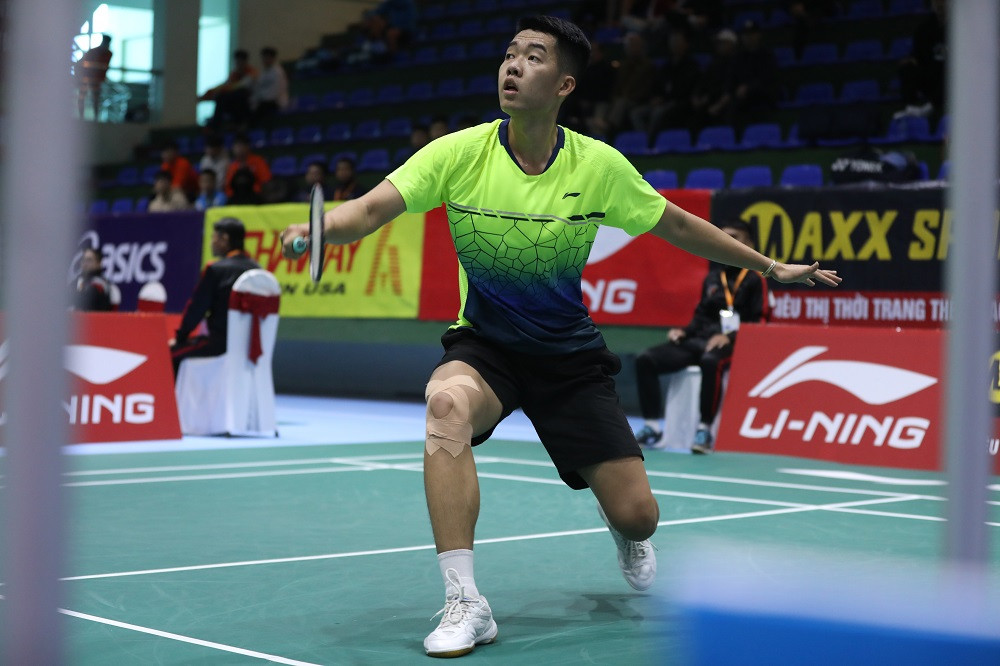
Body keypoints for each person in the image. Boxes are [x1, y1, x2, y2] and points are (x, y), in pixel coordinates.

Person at [280, 15, 840, 659]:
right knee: (445, 407)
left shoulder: (597, 166)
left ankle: (620, 524)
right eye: (509, 53)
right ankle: (465, 600)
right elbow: (371, 208)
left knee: (639, 515)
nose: (513, 66)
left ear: (565, 83)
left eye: (533, 57)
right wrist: (320, 229)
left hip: (568, 357)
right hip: (486, 347)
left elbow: (679, 225)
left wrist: (768, 267)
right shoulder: (457, 153)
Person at [633, 220, 767, 454]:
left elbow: (760, 321)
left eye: (735, 237)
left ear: (749, 244)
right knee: (646, 359)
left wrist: (731, 336)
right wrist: (684, 332)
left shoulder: (756, 280)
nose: (727, 242)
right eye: (723, 237)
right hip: (700, 340)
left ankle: (704, 430)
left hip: (733, 344)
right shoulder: (714, 277)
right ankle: (652, 426)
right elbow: (701, 315)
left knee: (710, 361)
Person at [170, 218, 261, 376]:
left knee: (169, 355)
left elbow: (196, 310)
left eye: (214, 237)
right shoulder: (259, 271)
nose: (212, 242)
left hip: (219, 346)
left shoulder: (216, 270)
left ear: (224, 239)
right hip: (251, 347)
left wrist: (180, 338)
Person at [199, 49, 258, 130]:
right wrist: (208, 93)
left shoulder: (251, 73)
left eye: (240, 61)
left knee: (237, 94)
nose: (238, 64)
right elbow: (224, 85)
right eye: (237, 61)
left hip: (247, 105)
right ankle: (215, 126)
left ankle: (238, 124)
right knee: (221, 97)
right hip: (234, 104)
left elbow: (239, 86)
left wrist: (225, 89)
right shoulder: (234, 74)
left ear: (245, 61)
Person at [75, 34, 113, 119]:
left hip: (96, 80)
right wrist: (79, 76)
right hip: (86, 78)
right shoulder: (93, 51)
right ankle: (81, 116)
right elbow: (81, 64)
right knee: (82, 97)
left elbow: (105, 67)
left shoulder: (108, 53)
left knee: (95, 98)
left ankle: (95, 117)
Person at [224, 133, 272, 198]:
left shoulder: (258, 161)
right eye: (236, 146)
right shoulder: (232, 166)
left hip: (256, 196)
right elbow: (228, 187)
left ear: (247, 147)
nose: (239, 149)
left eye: (241, 146)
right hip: (236, 198)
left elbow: (266, 181)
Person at [252, 46, 289, 123]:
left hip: (277, 102)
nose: (265, 60)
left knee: (259, 108)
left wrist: (260, 98)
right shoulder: (263, 72)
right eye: (263, 57)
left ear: (273, 58)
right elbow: (258, 88)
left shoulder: (278, 72)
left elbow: (275, 93)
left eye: (267, 57)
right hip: (265, 100)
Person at [71, 246, 113, 312]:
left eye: (89, 260)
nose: (85, 263)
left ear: (98, 263)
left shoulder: (101, 284)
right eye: (83, 260)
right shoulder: (78, 280)